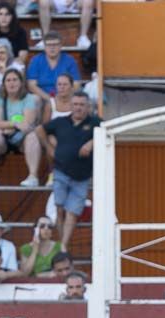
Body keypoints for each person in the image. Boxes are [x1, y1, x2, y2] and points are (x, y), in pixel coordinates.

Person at [43, 92, 99, 253]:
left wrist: (91, 142)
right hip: (60, 172)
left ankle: (64, 245)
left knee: (72, 212)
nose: (78, 107)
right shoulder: (60, 122)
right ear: (71, 106)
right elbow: (41, 130)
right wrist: (49, 147)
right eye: (75, 104)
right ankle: (63, 243)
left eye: (82, 104)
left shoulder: (95, 122)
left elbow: (108, 131)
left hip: (82, 176)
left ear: (88, 107)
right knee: (59, 208)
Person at [0, 69, 41, 187]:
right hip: (2, 137)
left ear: (21, 83)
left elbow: (28, 122)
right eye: (8, 80)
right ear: (4, 83)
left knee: (33, 136)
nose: (11, 83)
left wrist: (9, 127)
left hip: (21, 138)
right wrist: (14, 124)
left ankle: (33, 176)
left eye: (15, 80)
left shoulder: (29, 98)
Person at [26, 31, 79, 105]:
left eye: (55, 44)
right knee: (35, 100)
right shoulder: (36, 60)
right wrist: (49, 99)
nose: (52, 47)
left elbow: (76, 84)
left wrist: (62, 98)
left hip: (65, 97)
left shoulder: (70, 60)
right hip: (42, 97)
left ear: (60, 46)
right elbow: (31, 85)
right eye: (49, 45)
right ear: (44, 47)